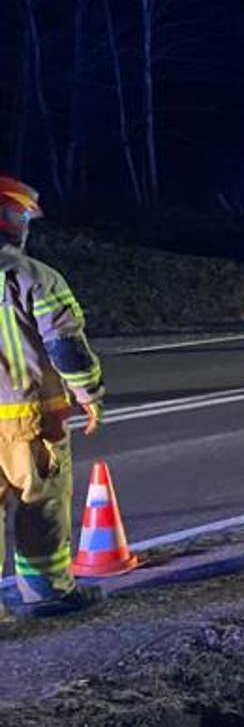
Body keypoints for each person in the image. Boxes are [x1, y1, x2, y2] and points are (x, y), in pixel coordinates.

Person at [0, 176, 105, 620]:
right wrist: (89, 394)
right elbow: (66, 346)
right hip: (29, 419)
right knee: (40, 503)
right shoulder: (33, 277)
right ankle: (47, 592)